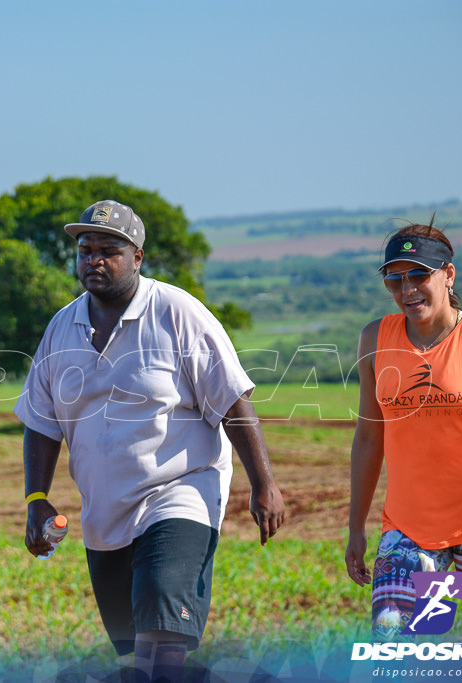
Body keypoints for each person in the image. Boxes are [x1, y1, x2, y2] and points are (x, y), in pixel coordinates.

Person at [15, 200, 285, 683]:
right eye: (85, 250)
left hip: (179, 494)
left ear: (137, 256)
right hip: (105, 513)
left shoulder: (177, 313)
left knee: (162, 642)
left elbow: (233, 401)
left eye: (108, 250)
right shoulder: (62, 329)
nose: (94, 260)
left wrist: (264, 484)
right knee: (135, 661)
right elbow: (41, 420)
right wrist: (36, 498)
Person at [345, 217, 462, 642]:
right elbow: (368, 437)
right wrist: (356, 527)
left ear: (448, 274)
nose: (406, 290)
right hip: (410, 531)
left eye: (418, 276)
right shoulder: (375, 339)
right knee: (397, 648)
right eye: (394, 280)